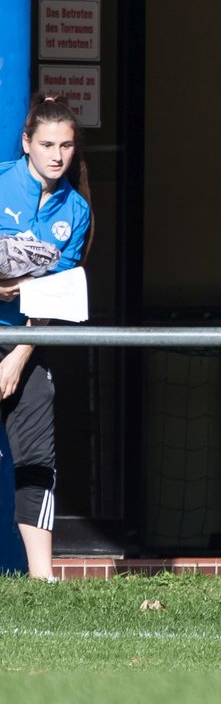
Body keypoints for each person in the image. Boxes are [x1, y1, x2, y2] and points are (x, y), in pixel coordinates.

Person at [0, 94, 93, 581]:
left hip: (27, 344)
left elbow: (55, 294)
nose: (58, 156)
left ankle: (42, 578)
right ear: (26, 144)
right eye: (47, 144)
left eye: (67, 146)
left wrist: (16, 358)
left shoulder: (75, 209)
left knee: (36, 454)